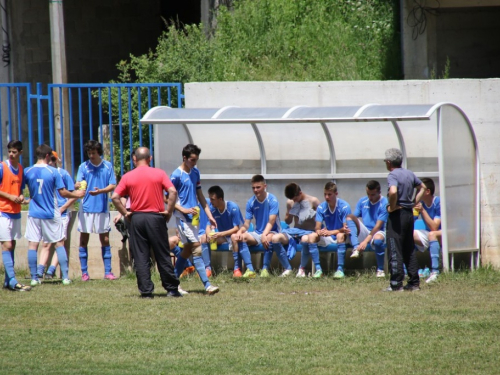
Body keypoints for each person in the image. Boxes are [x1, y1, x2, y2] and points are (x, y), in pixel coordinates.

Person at [111, 147, 181, 298]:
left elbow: (115, 197)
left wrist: (125, 213)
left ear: (134, 159)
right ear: (150, 159)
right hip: (155, 218)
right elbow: (173, 191)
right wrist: (168, 211)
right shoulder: (159, 173)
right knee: (162, 253)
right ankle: (171, 289)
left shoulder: (128, 176)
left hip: (136, 218)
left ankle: (146, 291)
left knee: (140, 255)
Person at [24, 144, 85, 286]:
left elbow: (25, 190)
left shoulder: (27, 171)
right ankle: (65, 277)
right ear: (47, 156)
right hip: (50, 212)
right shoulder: (53, 172)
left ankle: (34, 278)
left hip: (33, 213)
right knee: (59, 243)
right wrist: (76, 194)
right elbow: (63, 192)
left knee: (33, 245)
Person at [170, 144, 219, 295]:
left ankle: (173, 283)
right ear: (184, 158)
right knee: (197, 248)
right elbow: (167, 198)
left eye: (196, 160)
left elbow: (200, 195)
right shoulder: (176, 175)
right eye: (192, 160)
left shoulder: (195, 172)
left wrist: (209, 215)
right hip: (182, 218)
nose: (194, 163)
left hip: (195, 219)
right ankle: (207, 285)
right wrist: (183, 209)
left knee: (186, 251)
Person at [232, 174, 292, 277]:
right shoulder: (251, 202)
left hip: (273, 231)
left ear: (265, 186)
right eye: (253, 188)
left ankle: (265, 269)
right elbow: (247, 223)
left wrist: (264, 234)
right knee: (240, 237)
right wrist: (240, 231)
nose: (255, 190)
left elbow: (271, 221)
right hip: (257, 232)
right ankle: (250, 270)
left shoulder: (272, 199)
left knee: (268, 237)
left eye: (258, 187)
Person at [384, 148, 426, 292]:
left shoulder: (392, 175)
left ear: (389, 162)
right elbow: (423, 187)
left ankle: (396, 284)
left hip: (398, 215)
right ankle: (414, 283)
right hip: (409, 215)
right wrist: (414, 202)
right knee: (409, 248)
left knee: (395, 248)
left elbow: (393, 191)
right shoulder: (409, 173)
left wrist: (393, 206)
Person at [75, 140, 117, 281]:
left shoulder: (107, 166)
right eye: (89, 153)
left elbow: (112, 185)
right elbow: (79, 184)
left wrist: (101, 191)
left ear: (99, 152)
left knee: (105, 239)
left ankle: (108, 272)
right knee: (84, 239)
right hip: (86, 208)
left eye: (93, 153)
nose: (91, 155)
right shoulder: (83, 166)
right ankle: (84, 273)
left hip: (102, 207)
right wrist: (77, 185)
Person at [36, 151, 77, 279]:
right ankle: (39, 271)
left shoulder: (63, 173)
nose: (50, 161)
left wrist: (63, 208)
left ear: (56, 160)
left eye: (53, 159)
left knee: (59, 243)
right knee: (46, 243)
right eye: (49, 159)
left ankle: (51, 270)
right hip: (48, 212)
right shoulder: (44, 173)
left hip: (62, 213)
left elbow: (72, 194)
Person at [270, 183, 321, 278]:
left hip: (309, 232)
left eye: (295, 199)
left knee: (305, 239)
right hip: (295, 232)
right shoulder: (290, 202)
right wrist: (290, 212)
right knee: (275, 238)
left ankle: (302, 269)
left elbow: (321, 220)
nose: (294, 201)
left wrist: (311, 214)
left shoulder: (313, 201)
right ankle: (287, 268)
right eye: (292, 199)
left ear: (300, 193)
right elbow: (288, 221)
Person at [206, 185, 256, 278]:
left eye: (212, 199)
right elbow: (208, 225)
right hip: (225, 236)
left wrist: (220, 234)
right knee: (204, 239)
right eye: (210, 199)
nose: (210, 201)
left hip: (240, 234)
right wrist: (209, 234)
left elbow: (236, 229)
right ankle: (208, 269)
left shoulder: (233, 207)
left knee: (234, 237)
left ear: (220, 199)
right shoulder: (212, 209)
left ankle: (237, 268)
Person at [0, 140, 31, 291]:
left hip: (15, 212)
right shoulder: (2, 167)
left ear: (20, 153)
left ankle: (7, 281)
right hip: (2, 211)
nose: (11, 154)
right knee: (7, 245)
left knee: (13, 244)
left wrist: (20, 197)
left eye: (14, 152)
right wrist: (10, 197)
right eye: (10, 151)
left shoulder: (20, 169)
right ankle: (13, 281)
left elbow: (19, 189)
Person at [308, 182, 352, 279]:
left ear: (336, 194)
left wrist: (330, 232)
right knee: (311, 237)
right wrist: (320, 231)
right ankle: (318, 270)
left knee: (340, 235)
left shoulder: (344, 206)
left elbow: (346, 229)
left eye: (329, 194)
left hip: (341, 236)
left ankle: (340, 270)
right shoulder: (321, 207)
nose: (327, 197)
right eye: (325, 194)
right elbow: (317, 227)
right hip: (329, 236)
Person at [348, 180, 389, 278]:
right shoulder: (362, 201)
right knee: (349, 217)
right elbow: (355, 217)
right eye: (368, 194)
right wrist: (346, 226)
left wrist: (366, 241)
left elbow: (378, 226)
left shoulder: (385, 203)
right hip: (365, 230)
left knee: (378, 240)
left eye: (373, 195)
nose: (370, 197)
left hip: (378, 231)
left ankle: (380, 269)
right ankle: (355, 248)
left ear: (379, 192)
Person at [413, 177, 442, 284]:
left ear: (427, 191)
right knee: (408, 235)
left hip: (445, 233)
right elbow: (411, 221)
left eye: (419, 190)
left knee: (432, 234)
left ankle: (435, 272)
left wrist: (422, 210)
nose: (417, 193)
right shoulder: (421, 203)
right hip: (429, 233)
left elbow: (435, 227)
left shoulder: (438, 202)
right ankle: (409, 270)